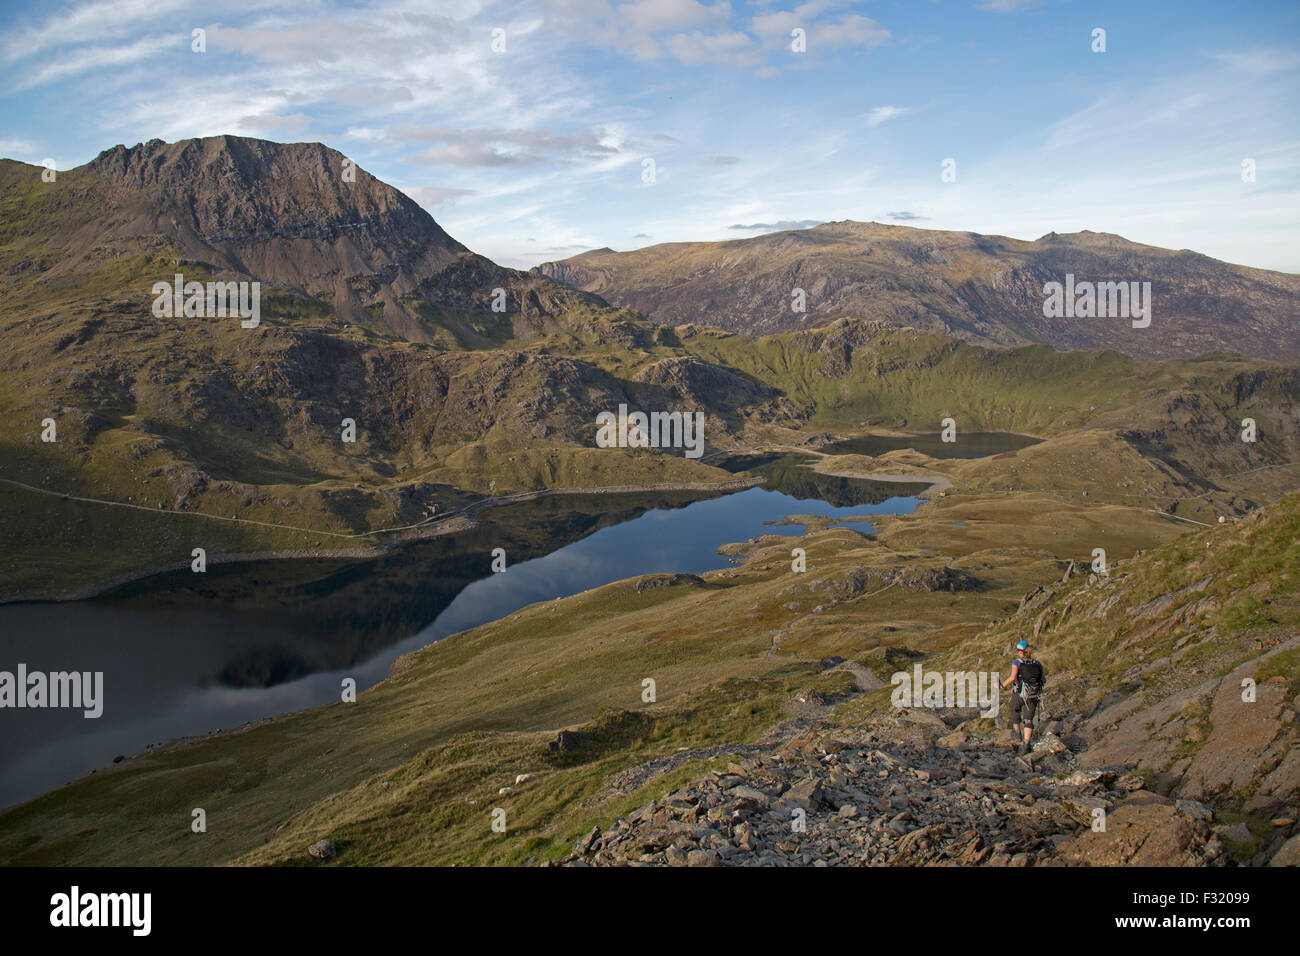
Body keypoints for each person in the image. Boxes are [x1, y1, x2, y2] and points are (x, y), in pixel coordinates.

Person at [999, 640, 1045, 755]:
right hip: (1033, 695)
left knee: (1015, 710)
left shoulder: (1017, 662)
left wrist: (1001, 686)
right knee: (1029, 719)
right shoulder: (1037, 663)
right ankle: (1026, 743)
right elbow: (1043, 679)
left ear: (1020, 652)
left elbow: (1012, 677)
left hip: (1019, 693)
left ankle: (1017, 735)